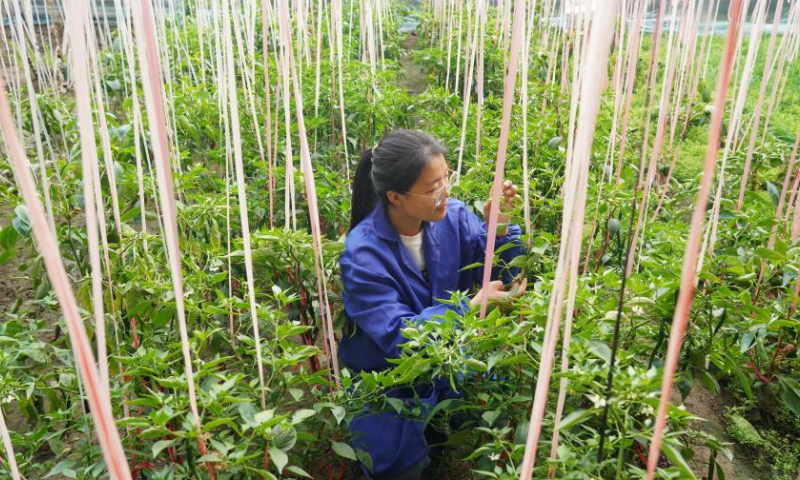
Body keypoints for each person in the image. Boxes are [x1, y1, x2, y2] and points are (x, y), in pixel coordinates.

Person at [339, 129, 527, 480]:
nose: (446, 192)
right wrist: (469, 307)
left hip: (448, 358)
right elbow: (400, 337)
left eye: (446, 178)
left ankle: (441, 440)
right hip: (389, 377)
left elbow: (500, 272)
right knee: (395, 463)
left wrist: (498, 226)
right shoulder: (362, 254)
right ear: (396, 197)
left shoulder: (452, 216)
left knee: (482, 406)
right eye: (432, 188)